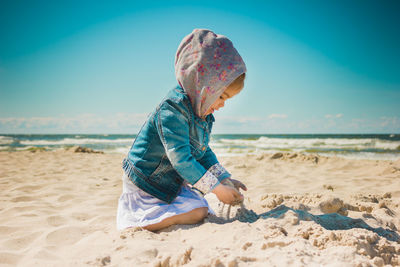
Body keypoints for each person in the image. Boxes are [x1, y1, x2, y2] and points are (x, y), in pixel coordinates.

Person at [117, 29, 247, 232]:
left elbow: (203, 152)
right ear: (202, 84)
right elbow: (181, 158)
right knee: (199, 212)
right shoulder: (173, 108)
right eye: (221, 97)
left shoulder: (202, 114)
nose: (222, 105)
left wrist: (224, 179)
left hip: (169, 183)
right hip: (147, 183)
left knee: (202, 208)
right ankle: (137, 223)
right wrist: (216, 188)